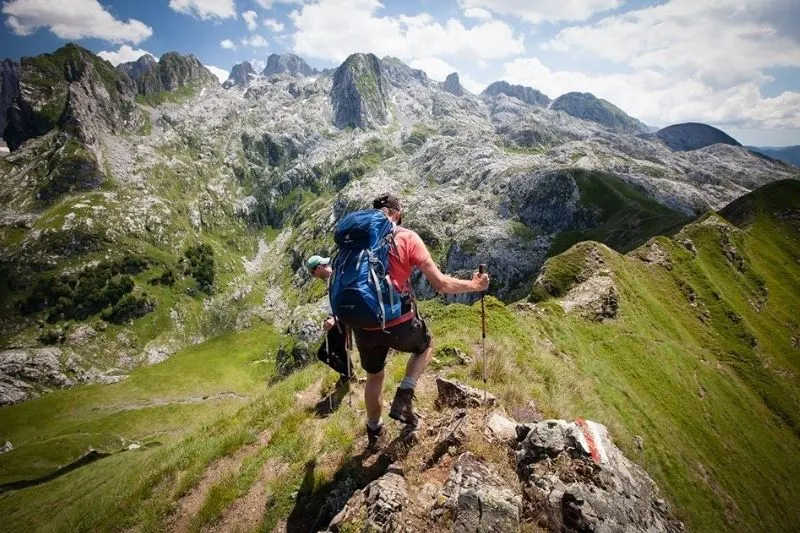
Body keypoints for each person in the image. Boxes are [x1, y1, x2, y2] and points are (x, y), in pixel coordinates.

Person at [355, 194, 489, 448]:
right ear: (397, 213)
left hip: (363, 323)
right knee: (425, 346)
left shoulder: (358, 240)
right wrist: (475, 284)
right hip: (397, 320)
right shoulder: (407, 237)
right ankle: (404, 396)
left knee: (374, 376)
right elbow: (441, 284)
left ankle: (374, 433)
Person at [307, 254, 353, 384]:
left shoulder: (337, 279)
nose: (312, 276)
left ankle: (348, 374)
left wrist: (334, 319)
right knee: (339, 349)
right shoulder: (331, 279)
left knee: (322, 353)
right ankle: (348, 374)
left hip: (340, 321)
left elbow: (347, 301)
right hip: (337, 320)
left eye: (312, 272)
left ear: (319, 267)